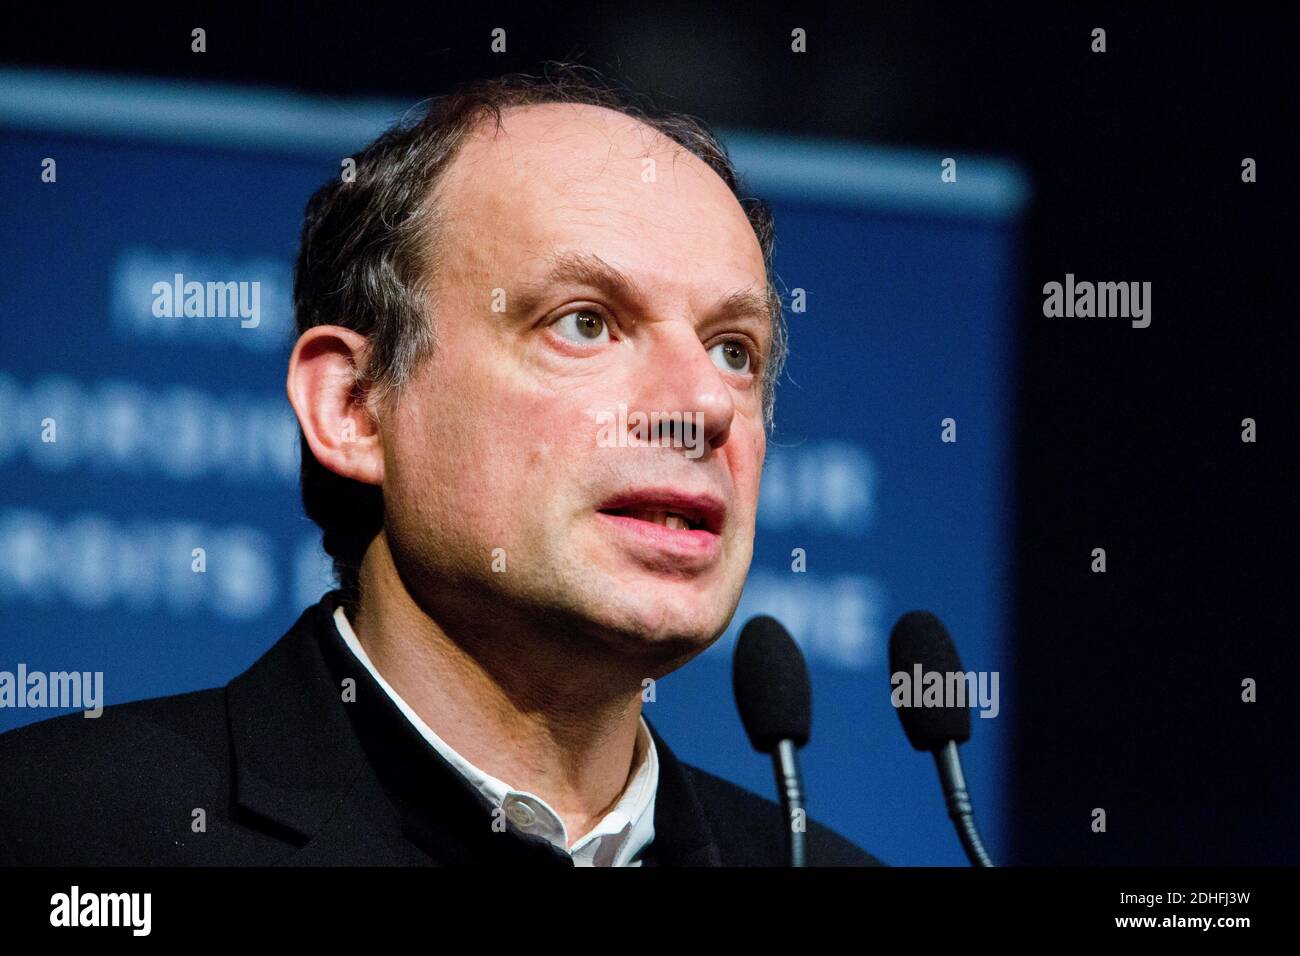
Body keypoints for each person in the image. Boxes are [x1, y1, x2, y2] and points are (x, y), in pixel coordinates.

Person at [0, 66, 883, 867]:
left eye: (734, 349)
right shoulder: (61, 829)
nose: (703, 407)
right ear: (353, 406)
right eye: (584, 322)